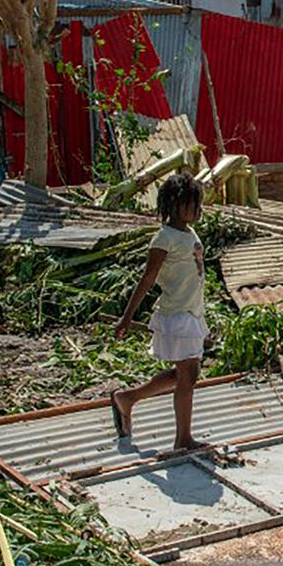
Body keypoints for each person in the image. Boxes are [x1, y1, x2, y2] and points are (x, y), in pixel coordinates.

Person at [112, 173, 209, 451]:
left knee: (183, 376)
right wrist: (127, 317)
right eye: (193, 204)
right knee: (188, 377)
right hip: (177, 315)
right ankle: (183, 439)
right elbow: (147, 279)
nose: (198, 210)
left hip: (191, 313)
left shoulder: (188, 232)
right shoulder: (164, 238)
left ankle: (128, 398)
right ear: (176, 205)